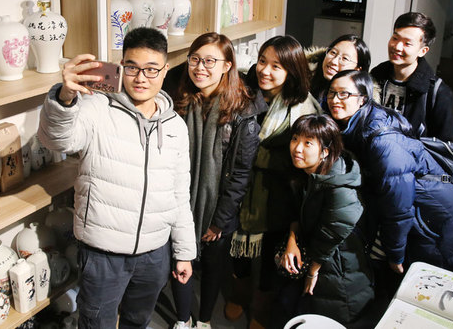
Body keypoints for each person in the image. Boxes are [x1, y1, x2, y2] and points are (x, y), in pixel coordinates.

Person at [37, 27, 196, 328]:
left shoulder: (175, 125)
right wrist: (65, 96)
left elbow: (179, 194)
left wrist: (184, 252)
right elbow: (56, 139)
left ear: (165, 71)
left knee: (138, 320)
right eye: (133, 67)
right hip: (103, 253)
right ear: (121, 66)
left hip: (154, 253)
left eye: (151, 69)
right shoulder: (96, 107)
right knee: (97, 323)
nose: (141, 78)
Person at [326, 70, 453, 284]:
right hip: (426, 211)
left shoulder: (382, 142)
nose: (334, 100)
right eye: (331, 93)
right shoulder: (360, 125)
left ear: (363, 99)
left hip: (439, 214)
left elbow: (398, 207)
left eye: (344, 94)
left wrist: (395, 253)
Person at [168, 33, 266, 329]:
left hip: (218, 209)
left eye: (210, 61)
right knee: (179, 259)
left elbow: (239, 175)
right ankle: (183, 319)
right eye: (195, 60)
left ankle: (204, 320)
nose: (200, 68)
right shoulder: (179, 100)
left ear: (227, 66)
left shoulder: (243, 112)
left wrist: (219, 221)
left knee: (212, 267)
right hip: (179, 200)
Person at [227, 35, 322, 327]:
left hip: (279, 194)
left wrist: (253, 158)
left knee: (270, 256)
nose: (265, 71)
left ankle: (261, 310)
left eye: (276, 66)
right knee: (237, 250)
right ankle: (238, 294)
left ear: (292, 71)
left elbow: (303, 159)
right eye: (262, 61)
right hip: (241, 187)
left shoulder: (302, 106)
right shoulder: (243, 92)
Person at [276, 114, 373, 326]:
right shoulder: (307, 173)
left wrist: (312, 272)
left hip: (338, 264)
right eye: (295, 139)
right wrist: (292, 241)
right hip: (318, 255)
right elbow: (295, 212)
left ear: (325, 151)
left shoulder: (340, 186)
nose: (297, 148)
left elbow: (333, 232)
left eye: (308, 143)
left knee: (336, 314)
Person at [370, 12, 453, 141]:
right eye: (395, 38)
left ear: (423, 51)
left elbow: (443, 144)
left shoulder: (438, 92)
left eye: (407, 43)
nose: (397, 47)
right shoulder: (377, 74)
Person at [308, 34, 371, 105]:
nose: (333, 61)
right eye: (333, 52)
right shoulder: (303, 81)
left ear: (357, 69)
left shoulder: (365, 108)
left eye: (345, 58)